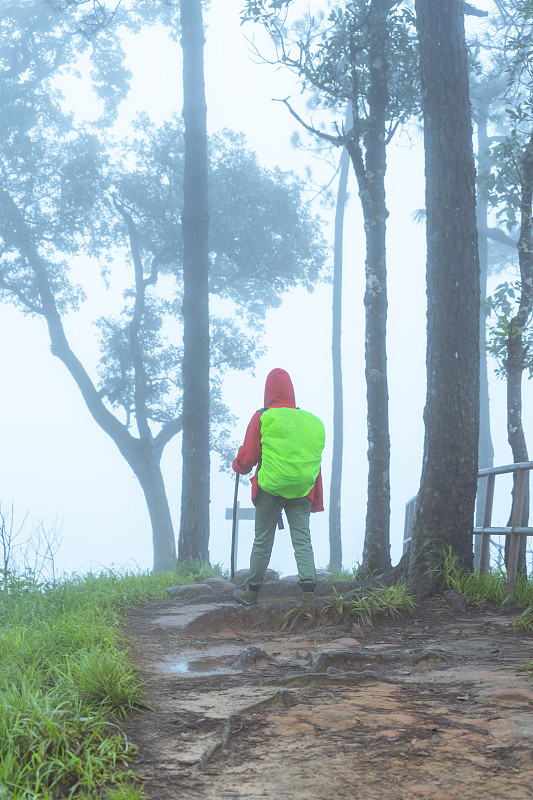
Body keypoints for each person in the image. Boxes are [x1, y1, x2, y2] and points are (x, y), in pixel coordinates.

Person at [232, 367, 325, 606]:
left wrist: (239, 466)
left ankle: (251, 594)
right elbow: (314, 461)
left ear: (268, 392)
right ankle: (308, 594)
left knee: (263, 539)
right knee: (302, 539)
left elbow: (249, 456)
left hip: (270, 489)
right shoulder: (311, 420)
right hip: (303, 488)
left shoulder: (262, 416)